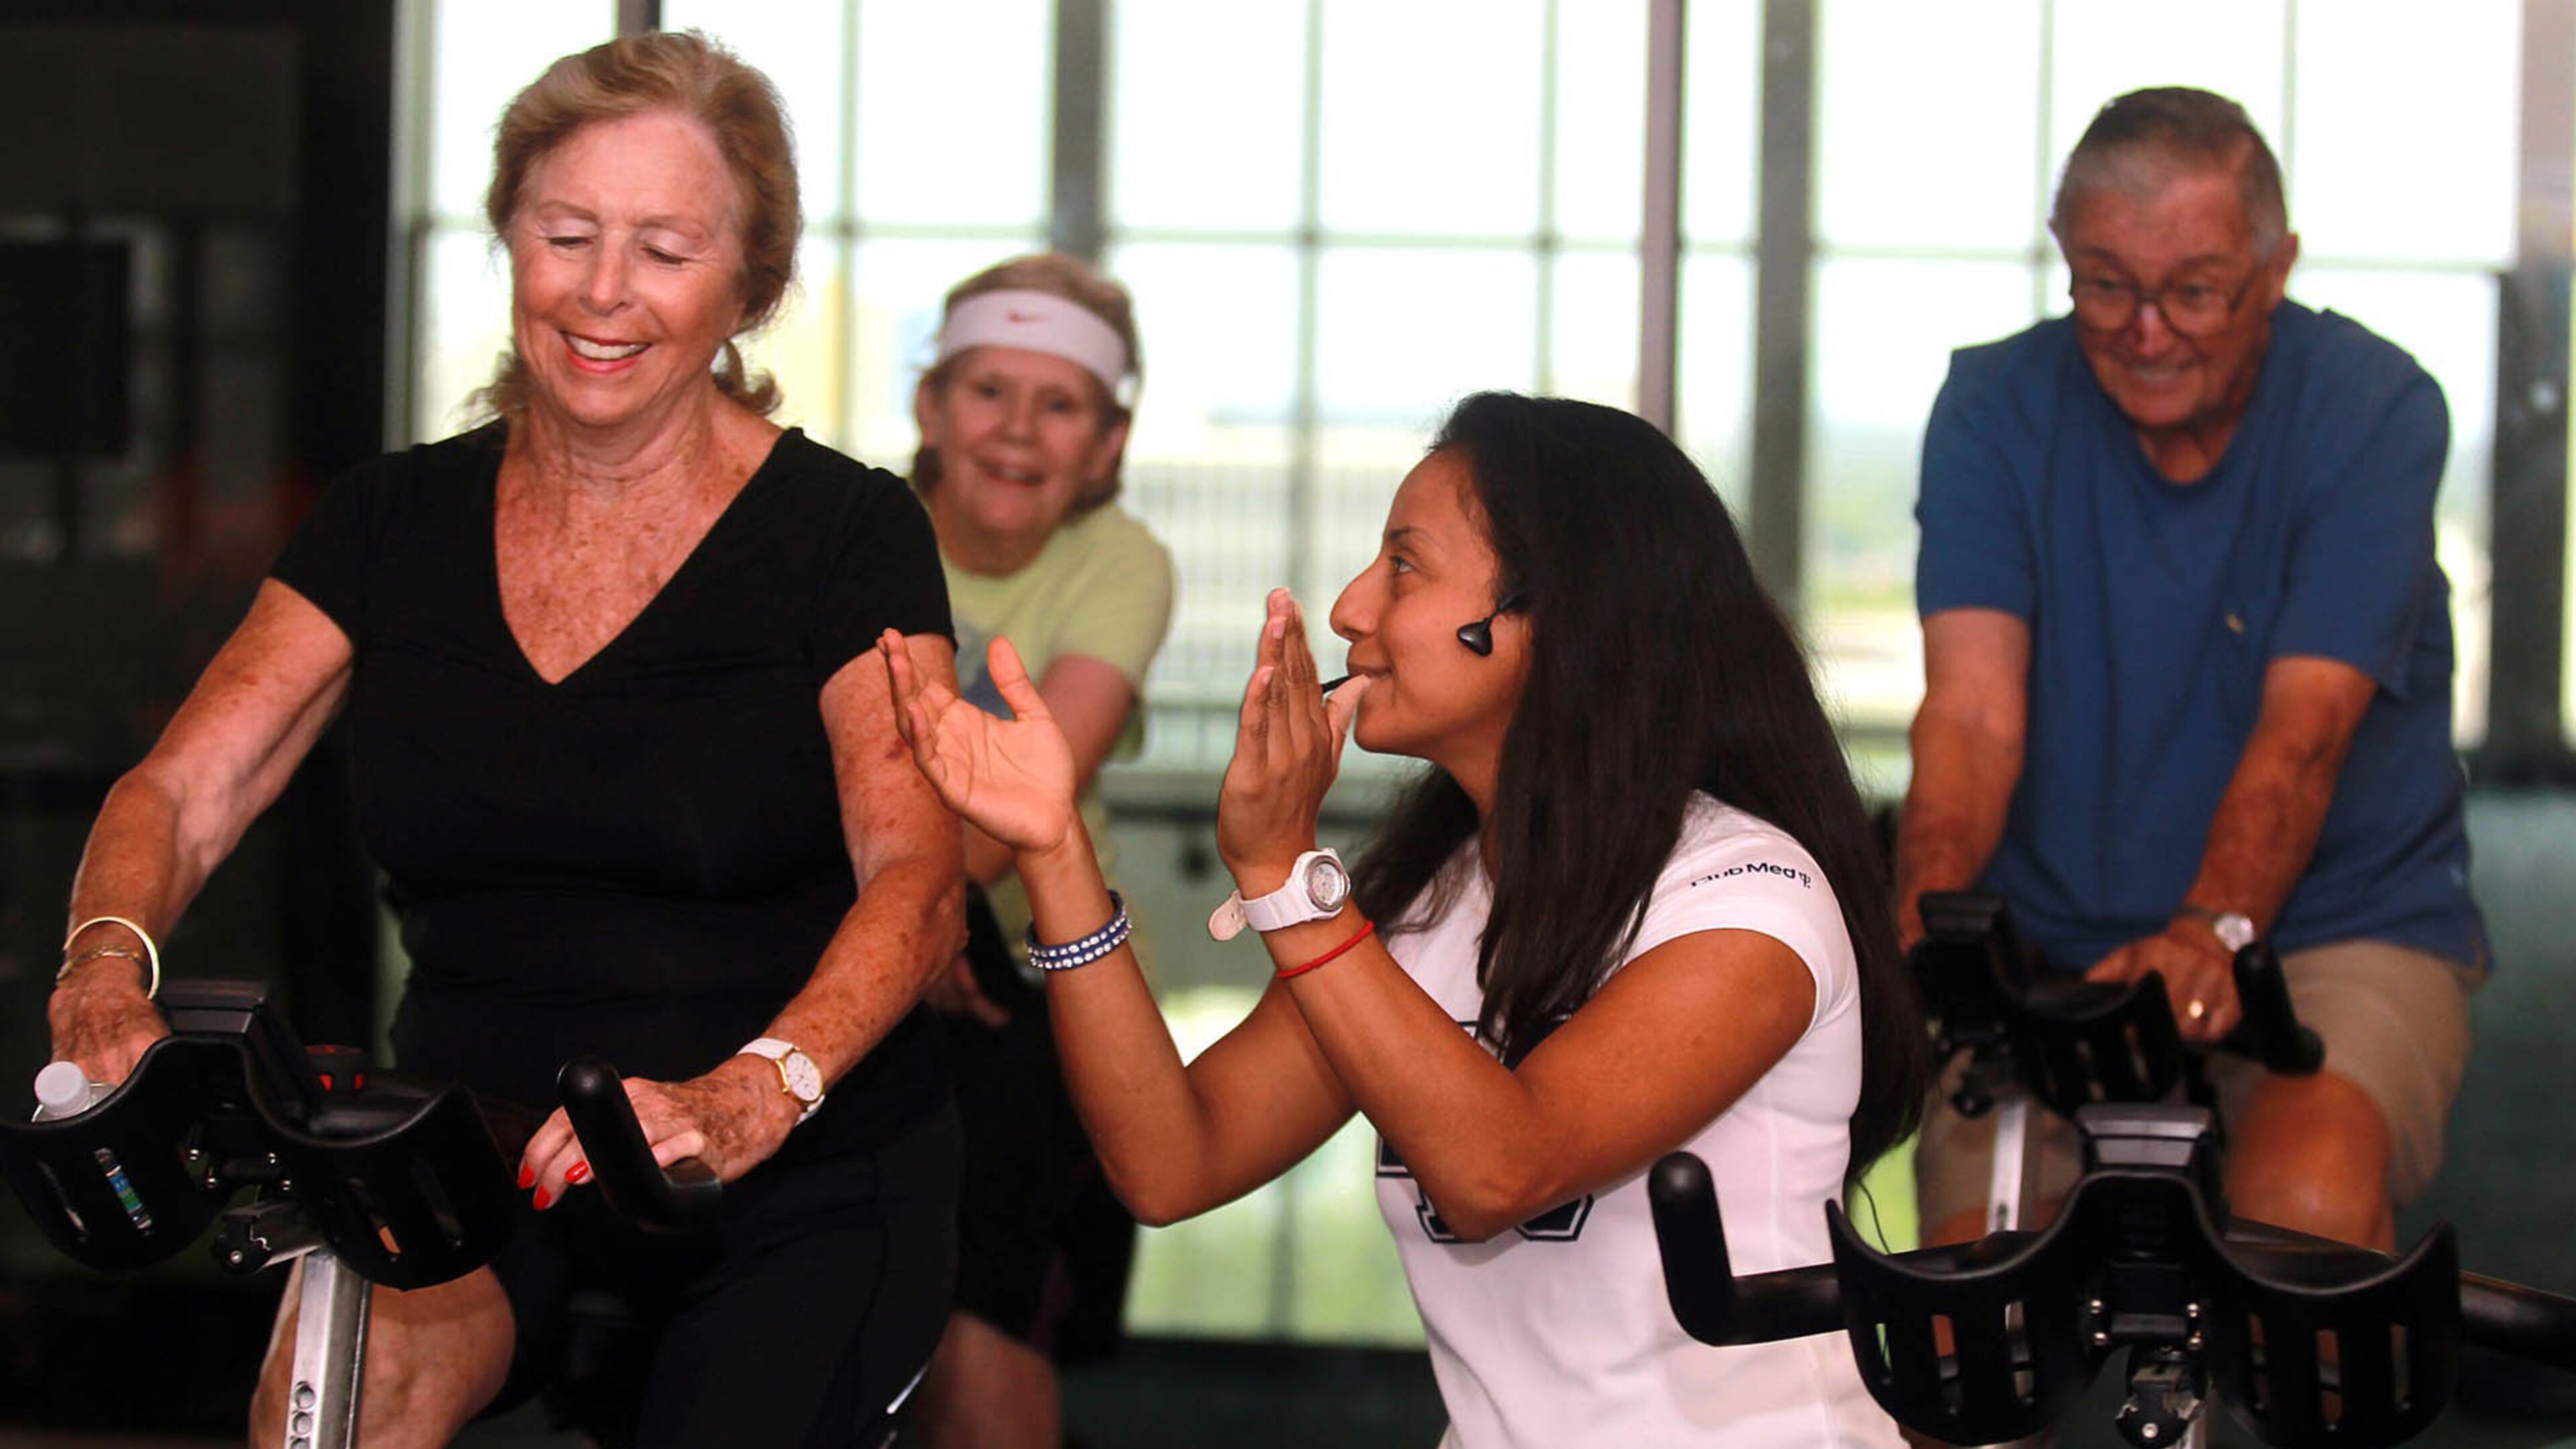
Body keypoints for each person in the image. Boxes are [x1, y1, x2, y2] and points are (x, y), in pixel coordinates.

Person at [42, 32, 965, 1448]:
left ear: (749, 288)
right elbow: (185, 786)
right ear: (510, 241)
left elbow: (917, 872)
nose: (606, 291)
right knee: (320, 1424)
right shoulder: (390, 521)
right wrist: (104, 964)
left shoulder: (847, 535)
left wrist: (754, 1091)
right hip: (471, 1149)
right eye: (568, 233)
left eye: (666, 248)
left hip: (792, 1160)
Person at [883, 391, 1929, 1448]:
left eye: (1404, 568)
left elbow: (1499, 1172)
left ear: (1551, 613)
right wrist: (1053, 848)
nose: (1348, 611)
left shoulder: (1746, 896)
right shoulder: (1433, 901)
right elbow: (1171, 1161)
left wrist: (1289, 879)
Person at [1896, 87, 2487, 1259]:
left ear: (2277, 270)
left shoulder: (2373, 410)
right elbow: (1969, 717)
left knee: (2303, 1228)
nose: (2148, 331)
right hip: (2054, 942)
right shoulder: (1992, 408)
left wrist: (2209, 931)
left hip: (2335, 922)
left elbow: (2305, 734)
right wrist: (1933, 927)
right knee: (1965, 1321)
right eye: (2107, 286)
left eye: (2194, 291)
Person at [899, 254, 1175, 1448]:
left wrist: (922, 919)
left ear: (1107, 444)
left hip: (1033, 985)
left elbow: (1034, 780)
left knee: (982, 1322)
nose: (1018, 432)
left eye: (1058, 405)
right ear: (930, 409)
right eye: (988, 393)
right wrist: (904, 928)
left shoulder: (1125, 563)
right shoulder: (860, 531)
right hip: (862, 946)